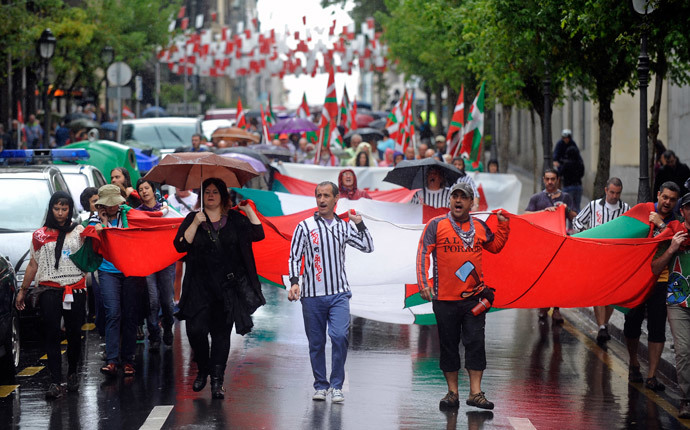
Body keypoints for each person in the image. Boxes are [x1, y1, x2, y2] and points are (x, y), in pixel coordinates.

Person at [416, 182, 510, 410]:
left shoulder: (479, 225)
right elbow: (423, 252)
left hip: (474, 298)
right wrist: (423, 283)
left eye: (463, 197)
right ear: (450, 201)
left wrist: (504, 225)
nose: (458, 200)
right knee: (448, 346)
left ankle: (475, 394)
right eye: (454, 196)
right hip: (444, 299)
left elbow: (495, 246)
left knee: (475, 343)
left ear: (471, 203)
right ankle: (452, 393)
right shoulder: (435, 225)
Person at [174, 178, 265, 399]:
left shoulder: (234, 219)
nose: (211, 195)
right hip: (198, 286)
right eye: (207, 192)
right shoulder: (192, 218)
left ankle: (216, 380)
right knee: (195, 331)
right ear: (202, 197)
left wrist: (248, 210)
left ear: (223, 196)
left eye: (216, 192)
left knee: (221, 335)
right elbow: (180, 245)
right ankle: (203, 368)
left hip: (226, 288)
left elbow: (258, 234)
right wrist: (196, 223)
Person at [287, 182, 374, 403]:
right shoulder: (304, 226)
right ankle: (320, 385)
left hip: (339, 294)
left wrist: (360, 224)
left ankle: (337, 385)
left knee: (339, 336)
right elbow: (295, 257)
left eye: (327, 195)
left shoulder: (344, 227)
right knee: (316, 343)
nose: (322, 199)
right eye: (319, 195)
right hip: (312, 296)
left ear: (336, 199)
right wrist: (295, 282)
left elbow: (368, 246)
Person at [15, 191, 87, 399]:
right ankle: (55, 381)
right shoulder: (39, 235)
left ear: (70, 210)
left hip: (75, 288)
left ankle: (72, 372)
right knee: (51, 334)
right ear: (51, 209)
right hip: (48, 289)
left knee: (74, 334)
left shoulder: (79, 231)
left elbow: (91, 255)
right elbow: (32, 264)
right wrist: (22, 291)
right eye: (57, 208)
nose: (61, 213)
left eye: (65, 209)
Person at [624, 181, 680, 392]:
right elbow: (622, 229)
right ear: (658, 195)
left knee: (657, 328)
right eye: (665, 197)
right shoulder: (642, 210)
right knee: (631, 324)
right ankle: (633, 363)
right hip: (636, 279)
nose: (667, 202)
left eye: (672, 199)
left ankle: (652, 375)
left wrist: (660, 225)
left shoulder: (676, 222)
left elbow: (677, 239)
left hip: (661, 282)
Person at [90, 184, 147, 378]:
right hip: (107, 270)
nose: (113, 207)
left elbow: (146, 225)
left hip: (129, 269)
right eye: (108, 204)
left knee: (130, 314)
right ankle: (112, 360)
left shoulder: (129, 214)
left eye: (115, 203)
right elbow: (89, 239)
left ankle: (128, 360)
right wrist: (102, 226)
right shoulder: (94, 219)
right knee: (113, 313)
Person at [572, 177, 630, 344]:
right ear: (606, 190)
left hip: (616, 258)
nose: (614, 196)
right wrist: (587, 236)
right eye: (612, 192)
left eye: (617, 193)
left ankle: (604, 323)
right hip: (596, 257)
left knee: (612, 293)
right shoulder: (593, 206)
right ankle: (602, 327)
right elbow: (577, 223)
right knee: (598, 292)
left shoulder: (626, 209)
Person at [651, 192, 690, 418]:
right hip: (678, 301)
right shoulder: (672, 232)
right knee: (683, 351)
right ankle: (686, 399)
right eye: (689, 208)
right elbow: (655, 268)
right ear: (682, 211)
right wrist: (672, 248)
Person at [525, 168, 577, 322]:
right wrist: (543, 213)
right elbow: (525, 215)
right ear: (543, 179)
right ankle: (543, 305)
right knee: (543, 278)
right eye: (547, 179)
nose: (550, 182)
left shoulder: (566, 197)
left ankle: (556, 309)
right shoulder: (536, 198)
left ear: (558, 180)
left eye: (553, 179)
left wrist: (566, 210)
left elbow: (575, 216)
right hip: (541, 246)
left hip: (560, 244)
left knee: (558, 278)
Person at [135, 179, 178, 352]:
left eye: (147, 188)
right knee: (152, 300)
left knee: (167, 302)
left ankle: (167, 326)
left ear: (154, 191)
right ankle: (153, 333)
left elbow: (178, 225)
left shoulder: (167, 211)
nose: (144, 191)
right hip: (147, 262)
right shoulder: (136, 214)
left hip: (166, 260)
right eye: (140, 189)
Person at [559, 145, 585, 212]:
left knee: (569, 209)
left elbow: (560, 173)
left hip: (568, 187)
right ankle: (578, 221)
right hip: (578, 186)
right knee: (577, 207)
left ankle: (572, 222)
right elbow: (582, 174)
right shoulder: (580, 163)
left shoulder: (566, 164)